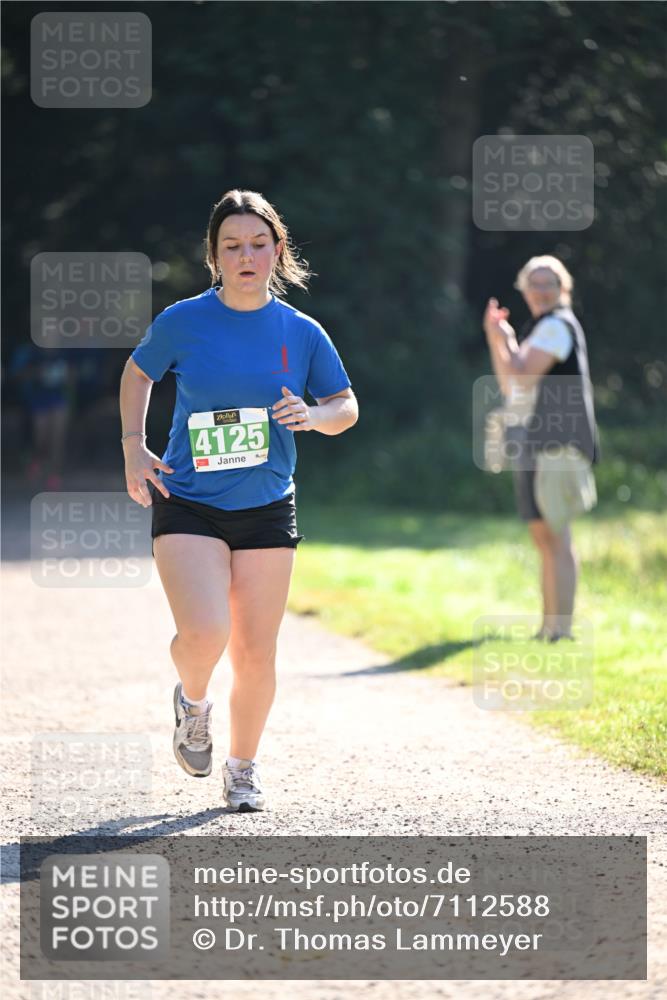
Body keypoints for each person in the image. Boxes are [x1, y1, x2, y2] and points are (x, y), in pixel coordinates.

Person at [119, 189, 358, 811]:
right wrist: (132, 446)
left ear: (278, 251)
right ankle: (193, 702)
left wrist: (312, 414)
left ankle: (243, 768)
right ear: (215, 255)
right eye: (233, 246)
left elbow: (345, 406)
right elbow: (139, 372)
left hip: (267, 504)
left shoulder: (301, 331)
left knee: (256, 649)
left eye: (258, 244)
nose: (246, 256)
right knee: (205, 632)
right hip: (189, 497)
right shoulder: (183, 321)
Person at [483, 255, 599, 642]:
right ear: (525, 290)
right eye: (535, 283)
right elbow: (510, 384)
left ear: (563, 288)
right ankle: (548, 626)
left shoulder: (556, 327)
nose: (541, 290)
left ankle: (560, 629)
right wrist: (496, 338)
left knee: (557, 533)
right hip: (535, 442)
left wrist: (504, 339)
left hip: (559, 443)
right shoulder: (541, 330)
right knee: (542, 536)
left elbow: (521, 373)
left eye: (549, 283)